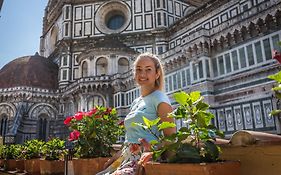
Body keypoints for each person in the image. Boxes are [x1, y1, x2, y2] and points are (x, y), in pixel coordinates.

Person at [96, 52, 176, 175]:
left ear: (157, 73)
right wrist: (117, 156)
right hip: (126, 159)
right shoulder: (136, 102)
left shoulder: (160, 99)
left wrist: (153, 157)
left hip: (144, 161)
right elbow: (130, 138)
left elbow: (170, 139)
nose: (142, 74)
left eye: (148, 69)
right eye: (138, 69)